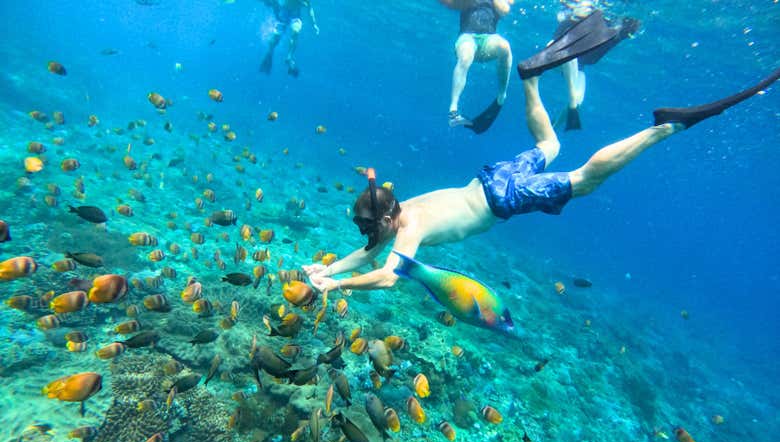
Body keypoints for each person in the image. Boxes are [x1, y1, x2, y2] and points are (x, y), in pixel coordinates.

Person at [304, 22, 779, 293]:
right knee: (549, 146)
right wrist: (326, 268)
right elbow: (369, 253)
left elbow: (387, 277)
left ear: (386, 219)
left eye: (370, 228)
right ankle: (531, 78)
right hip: (491, 180)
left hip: (503, 197)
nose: (368, 237)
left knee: (583, 179)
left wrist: (334, 286)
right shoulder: (402, 211)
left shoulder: (410, 229)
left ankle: (664, 127)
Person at [551, 2, 640, 130]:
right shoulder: (574, 45)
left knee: (577, 102)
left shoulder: (587, 57)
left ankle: (553, 128)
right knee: (575, 101)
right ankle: (554, 127)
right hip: (570, 50)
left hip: (578, 57)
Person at [440, 0, 514, 133]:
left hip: (489, 40)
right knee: (466, 55)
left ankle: (501, 96)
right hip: (467, 38)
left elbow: (504, 10)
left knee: (505, 47)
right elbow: (450, 4)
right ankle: (453, 111)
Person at [260, 0, 319, 76]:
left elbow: (309, 7)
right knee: (278, 36)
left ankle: (289, 56)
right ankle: (271, 53)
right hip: (284, 13)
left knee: (295, 32)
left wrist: (314, 24)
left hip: (294, 15)